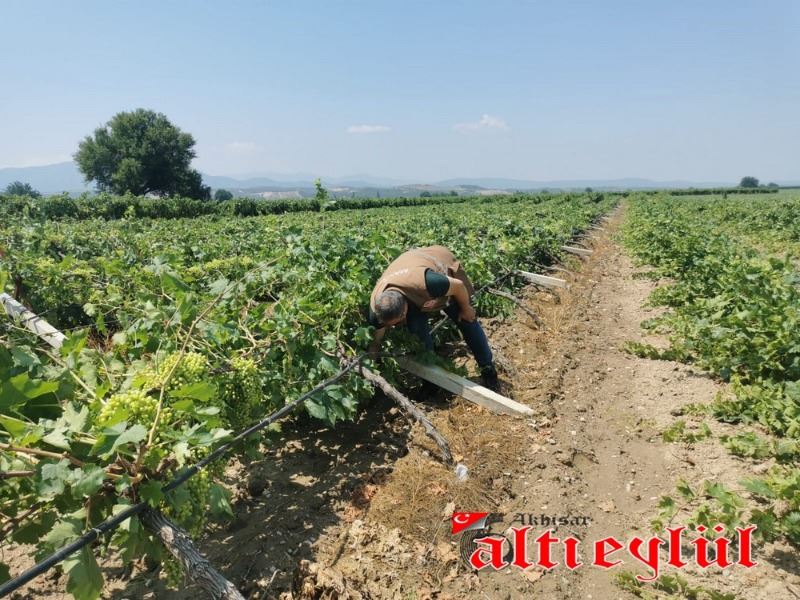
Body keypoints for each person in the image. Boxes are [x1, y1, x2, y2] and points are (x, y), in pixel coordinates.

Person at [367, 245, 499, 390]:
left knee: (467, 320)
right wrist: (371, 367)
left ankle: (488, 369)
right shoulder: (378, 311)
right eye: (389, 325)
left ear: (405, 309)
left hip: (439, 270)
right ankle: (431, 382)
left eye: (395, 323)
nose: (392, 327)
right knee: (417, 332)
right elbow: (376, 341)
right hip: (410, 277)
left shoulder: (430, 282)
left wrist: (466, 308)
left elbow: (458, 286)